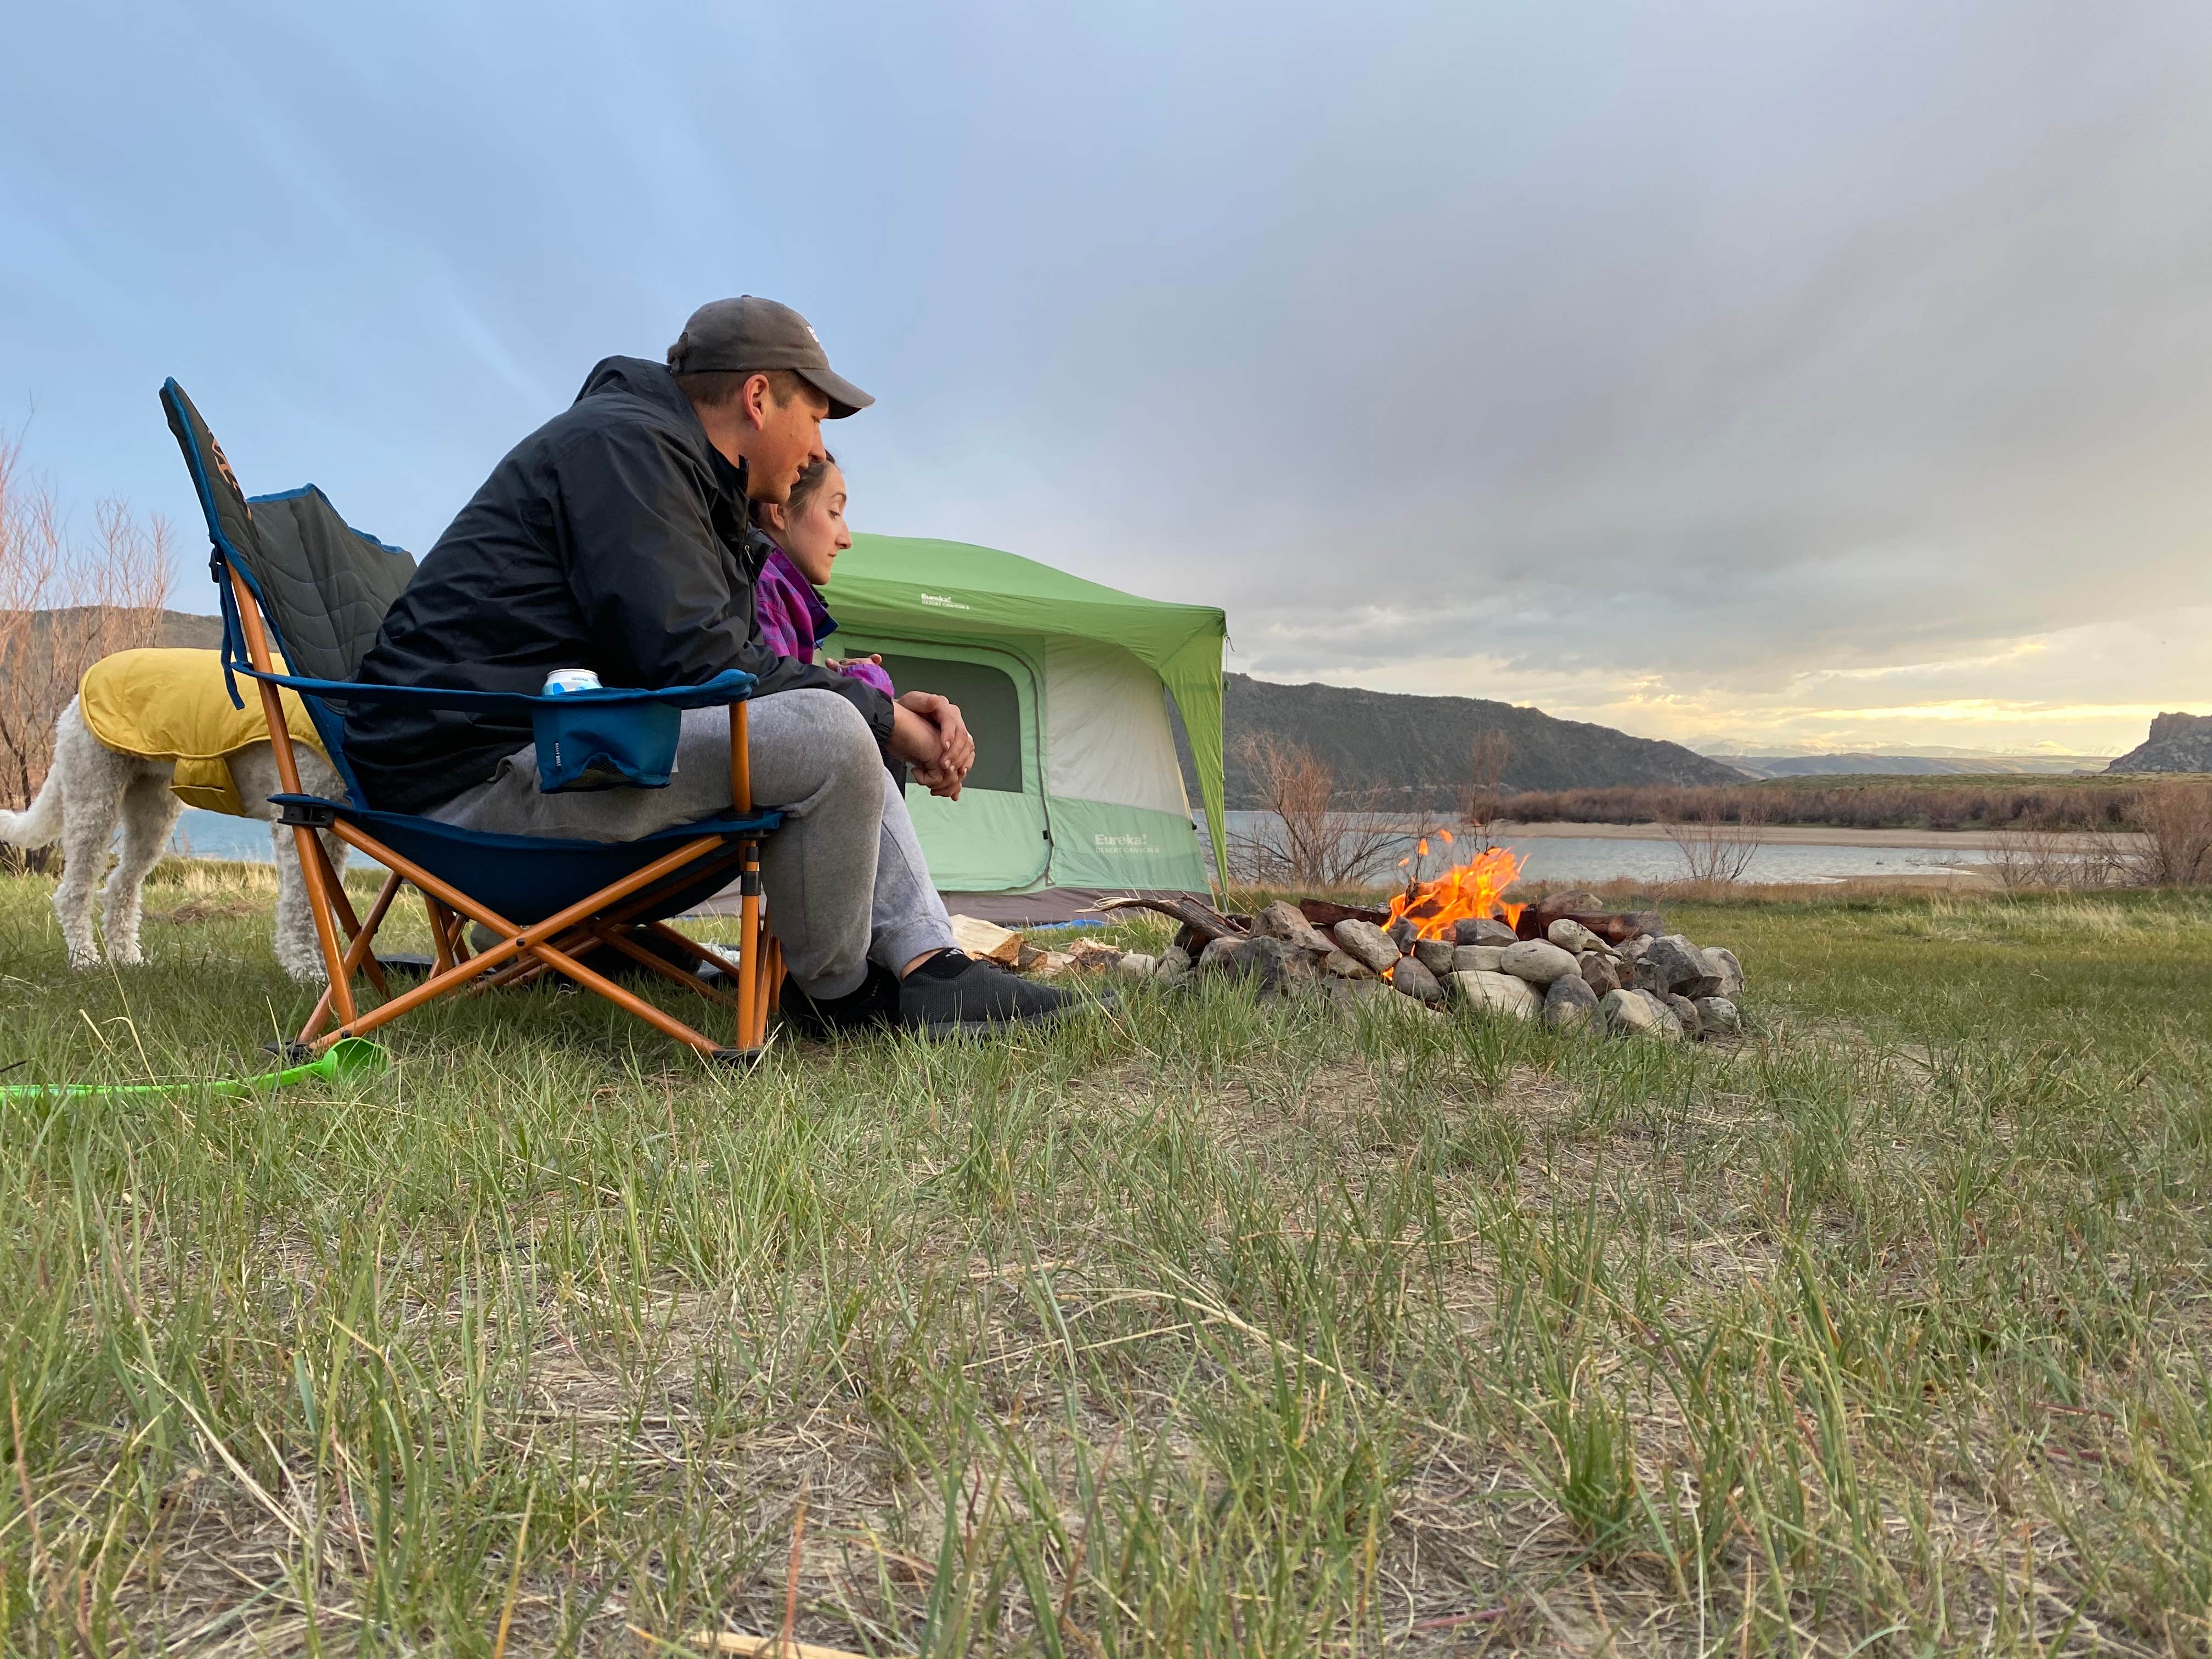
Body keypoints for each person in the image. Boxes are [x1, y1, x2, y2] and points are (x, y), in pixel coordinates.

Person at [343, 296, 1081, 1035]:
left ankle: (929, 969)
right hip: (476, 786)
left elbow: (728, 662)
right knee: (833, 729)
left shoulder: (670, 468)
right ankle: (842, 998)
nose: (816, 448)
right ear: (759, 398)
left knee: (836, 716)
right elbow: (700, 666)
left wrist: (880, 707)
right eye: (817, 418)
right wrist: (891, 724)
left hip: (550, 749)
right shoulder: (627, 454)